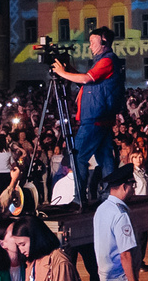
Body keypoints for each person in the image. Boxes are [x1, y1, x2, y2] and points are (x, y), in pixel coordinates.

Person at [50, 28, 125, 207]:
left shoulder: (107, 60)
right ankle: (110, 195)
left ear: (104, 41)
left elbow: (86, 79)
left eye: (93, 41)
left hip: (95, 117)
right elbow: (89, 79)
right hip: (101, 117)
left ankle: (79, 198)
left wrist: (61, 73)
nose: (90, 45)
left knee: (78, 157)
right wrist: (69, 69)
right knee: (105, 158)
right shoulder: (103, 61)